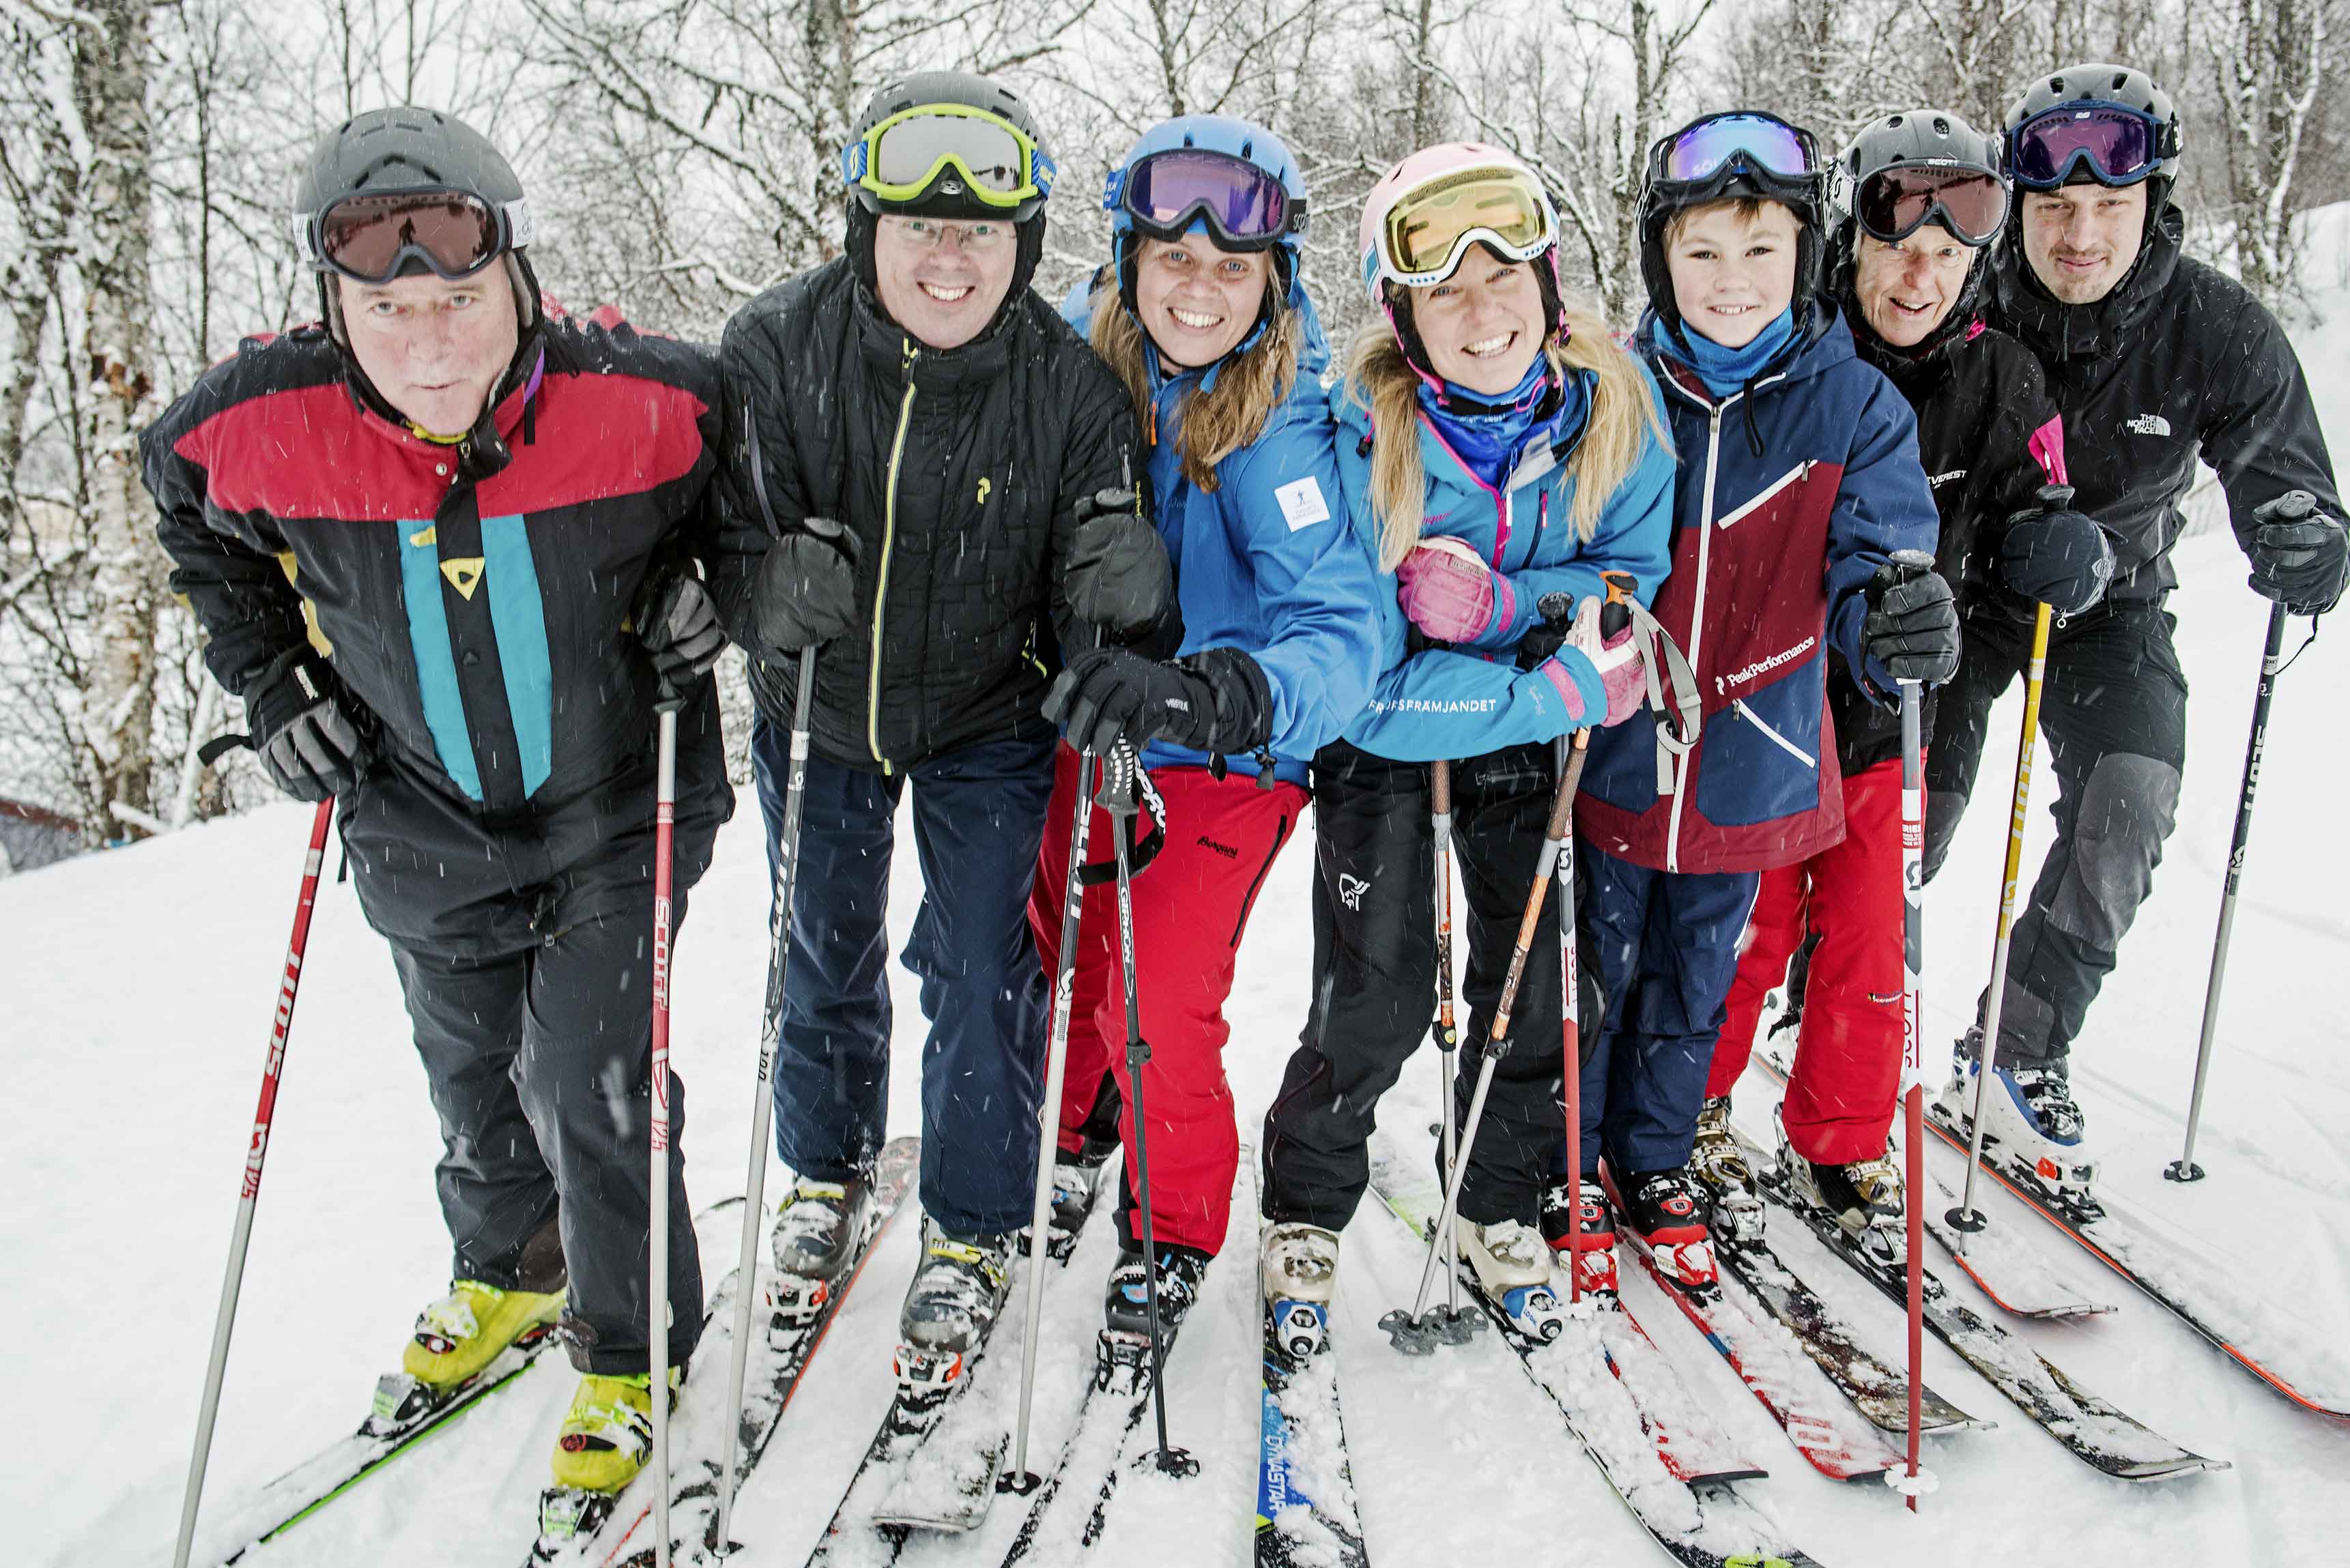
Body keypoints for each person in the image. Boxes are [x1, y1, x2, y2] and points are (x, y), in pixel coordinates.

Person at [144, 108, 731, 1496]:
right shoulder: (260, 424)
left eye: (460, 297)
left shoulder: (650, 396)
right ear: (333, 303)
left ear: (517, 278)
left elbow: (746, 502)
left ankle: (633, 1347)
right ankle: (513, 1271)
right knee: (471, 1076)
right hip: (417, 809)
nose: (431, 338)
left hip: (617, 796)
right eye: (387, 305)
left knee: (592, 1072)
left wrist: (714, 592)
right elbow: (182, 503)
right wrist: (275, 685)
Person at [708, 71, 1156, 1380]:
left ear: (1023, 245)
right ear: (867, 228)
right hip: (823, 713)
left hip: (984, 718)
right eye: (921, 228)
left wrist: (1119, 603)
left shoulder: (1072, 391)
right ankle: (825, 1168)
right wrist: (764, 590)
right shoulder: (774, 348)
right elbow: (722, 541)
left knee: (978, 966)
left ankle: (967, 1225)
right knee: (821, 951)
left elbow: (1103, 572)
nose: (949, 259)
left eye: (980, 233)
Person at [1257, 143, 1676, 1337]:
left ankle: (1498, 1192)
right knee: (1379, 991)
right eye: (1444, 290)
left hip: (1528, 717)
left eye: (1505, 276)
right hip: (1395, 744)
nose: (1480, 310)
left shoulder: (1619, 418)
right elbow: (1365, 688)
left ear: (1551, 283)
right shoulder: (1354, 439)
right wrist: (1551, 685)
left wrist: (1506, 606)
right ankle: (1306, 1199)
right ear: (1403, 318)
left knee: (1544, 982)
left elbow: (1631, 599)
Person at [1691, 108, 2115, 1253]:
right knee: (1751, 926)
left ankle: (1838, 1137)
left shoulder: (2006, 376)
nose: (1919, 276)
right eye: (1897, 249)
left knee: (1877, 931)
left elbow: (2042, 502)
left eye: (1947, 254)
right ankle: (1687, 1112)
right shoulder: (1801, 353)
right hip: (1773, 703)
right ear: (1853, 245)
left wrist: (2057, 550)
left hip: (1901, 704)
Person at [1928, 62, 2349, 1202]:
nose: (2080, 234)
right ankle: (1833, 997)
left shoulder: (2214, 326)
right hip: (1960, 594)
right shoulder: (1966, 302)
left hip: (2112, 601)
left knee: (2135, 798)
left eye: (2109, 206)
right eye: (2054, 207)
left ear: (2153, 201)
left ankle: (2014, 1049)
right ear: (2015, 207)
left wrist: (2306, 540)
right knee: (1914, 809)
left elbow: (2291, 485)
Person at [1569, 111, 1947, 1296]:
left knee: (1701, 977)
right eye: (1702, 254)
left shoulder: (1856, 408)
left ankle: (1655, 1158)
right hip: (1618, 746)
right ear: (1659, 261)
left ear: (1805, 254)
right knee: (1596, 970)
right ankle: (1571, 1158)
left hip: (1758, 749)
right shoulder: (1615, 390)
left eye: (1762, 252)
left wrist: (1893, 618)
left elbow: (1876, 557)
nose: (1732, 284)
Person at [1031, 115, 1380, 1335]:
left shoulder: (1285, 416)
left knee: (1162, 995)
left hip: (1226, 753)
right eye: (1175, 260)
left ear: (1272, 279)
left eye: (1233, 268)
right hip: (1085, 723)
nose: (1201, 291)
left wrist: (1211, 691)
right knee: (1059, 947)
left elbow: (1342, 626)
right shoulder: (1071, 363)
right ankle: (1078, 1119)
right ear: (1128, 262)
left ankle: (1173, 1223)